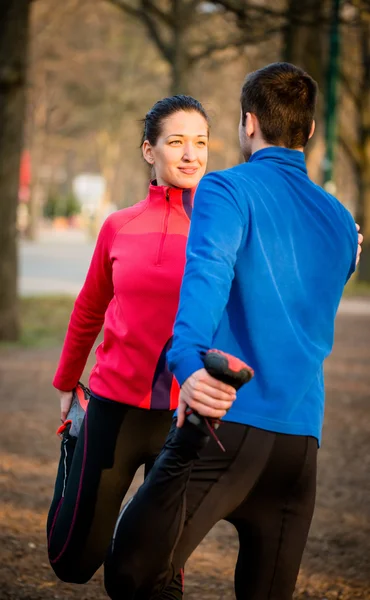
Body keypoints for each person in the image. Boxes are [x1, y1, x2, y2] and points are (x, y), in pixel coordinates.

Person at [101, 63, 363, 600]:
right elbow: (316, 281)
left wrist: (188, 362)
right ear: (310, 131)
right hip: (300, 445)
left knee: (132, 571)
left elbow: (207, 276)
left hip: (227, 422)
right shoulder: (340, 219)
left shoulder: (225, 188)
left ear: (248, 123)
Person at [46, 95, 212, 598]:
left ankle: (145, 554)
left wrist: (347, 250)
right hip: (112, 410)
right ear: (149, 151)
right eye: (176, 142)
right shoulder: (119, 225)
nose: (190, 154)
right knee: (72, 561)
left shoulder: (220, 227)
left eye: (201, 142)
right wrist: (65, 381)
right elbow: (89, 308)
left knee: (150, 578)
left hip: (183, 418)